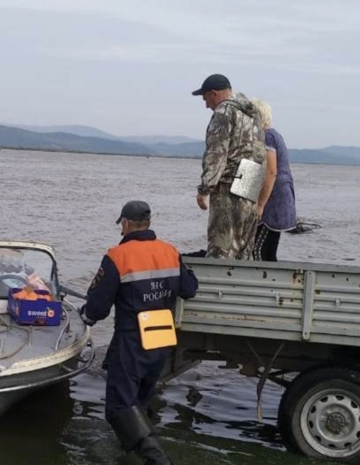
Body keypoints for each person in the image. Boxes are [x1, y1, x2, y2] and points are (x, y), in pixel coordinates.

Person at [79, 201, 198, 465]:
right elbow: (190, 289)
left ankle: (156, 459)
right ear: (148, 223)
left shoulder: (118, 256)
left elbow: (97, 307)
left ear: (125, 224)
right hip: (161, 339)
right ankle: (132, 452)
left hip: (132, 339)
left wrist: (84, 317)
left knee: (119, 406)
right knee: (140, 401)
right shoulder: (170, 251)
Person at [192, 74, 269, 260]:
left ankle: (217, 286)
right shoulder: (253, 114)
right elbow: (261, 153)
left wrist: (205, 189)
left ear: (214, 94)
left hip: (229, 183)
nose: (206, 105)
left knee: (222, 245)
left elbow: (216, 153)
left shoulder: (223, 112)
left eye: (206, 99)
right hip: (251, 179)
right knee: (243, 246)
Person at [251, 100, 297, 261]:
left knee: (257, 250)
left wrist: (260, 205)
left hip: (274, 200)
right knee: (269, 251)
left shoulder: (267, 137)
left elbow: (271, 171)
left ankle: (259, 283)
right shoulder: (274, 135)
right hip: (280, 197)